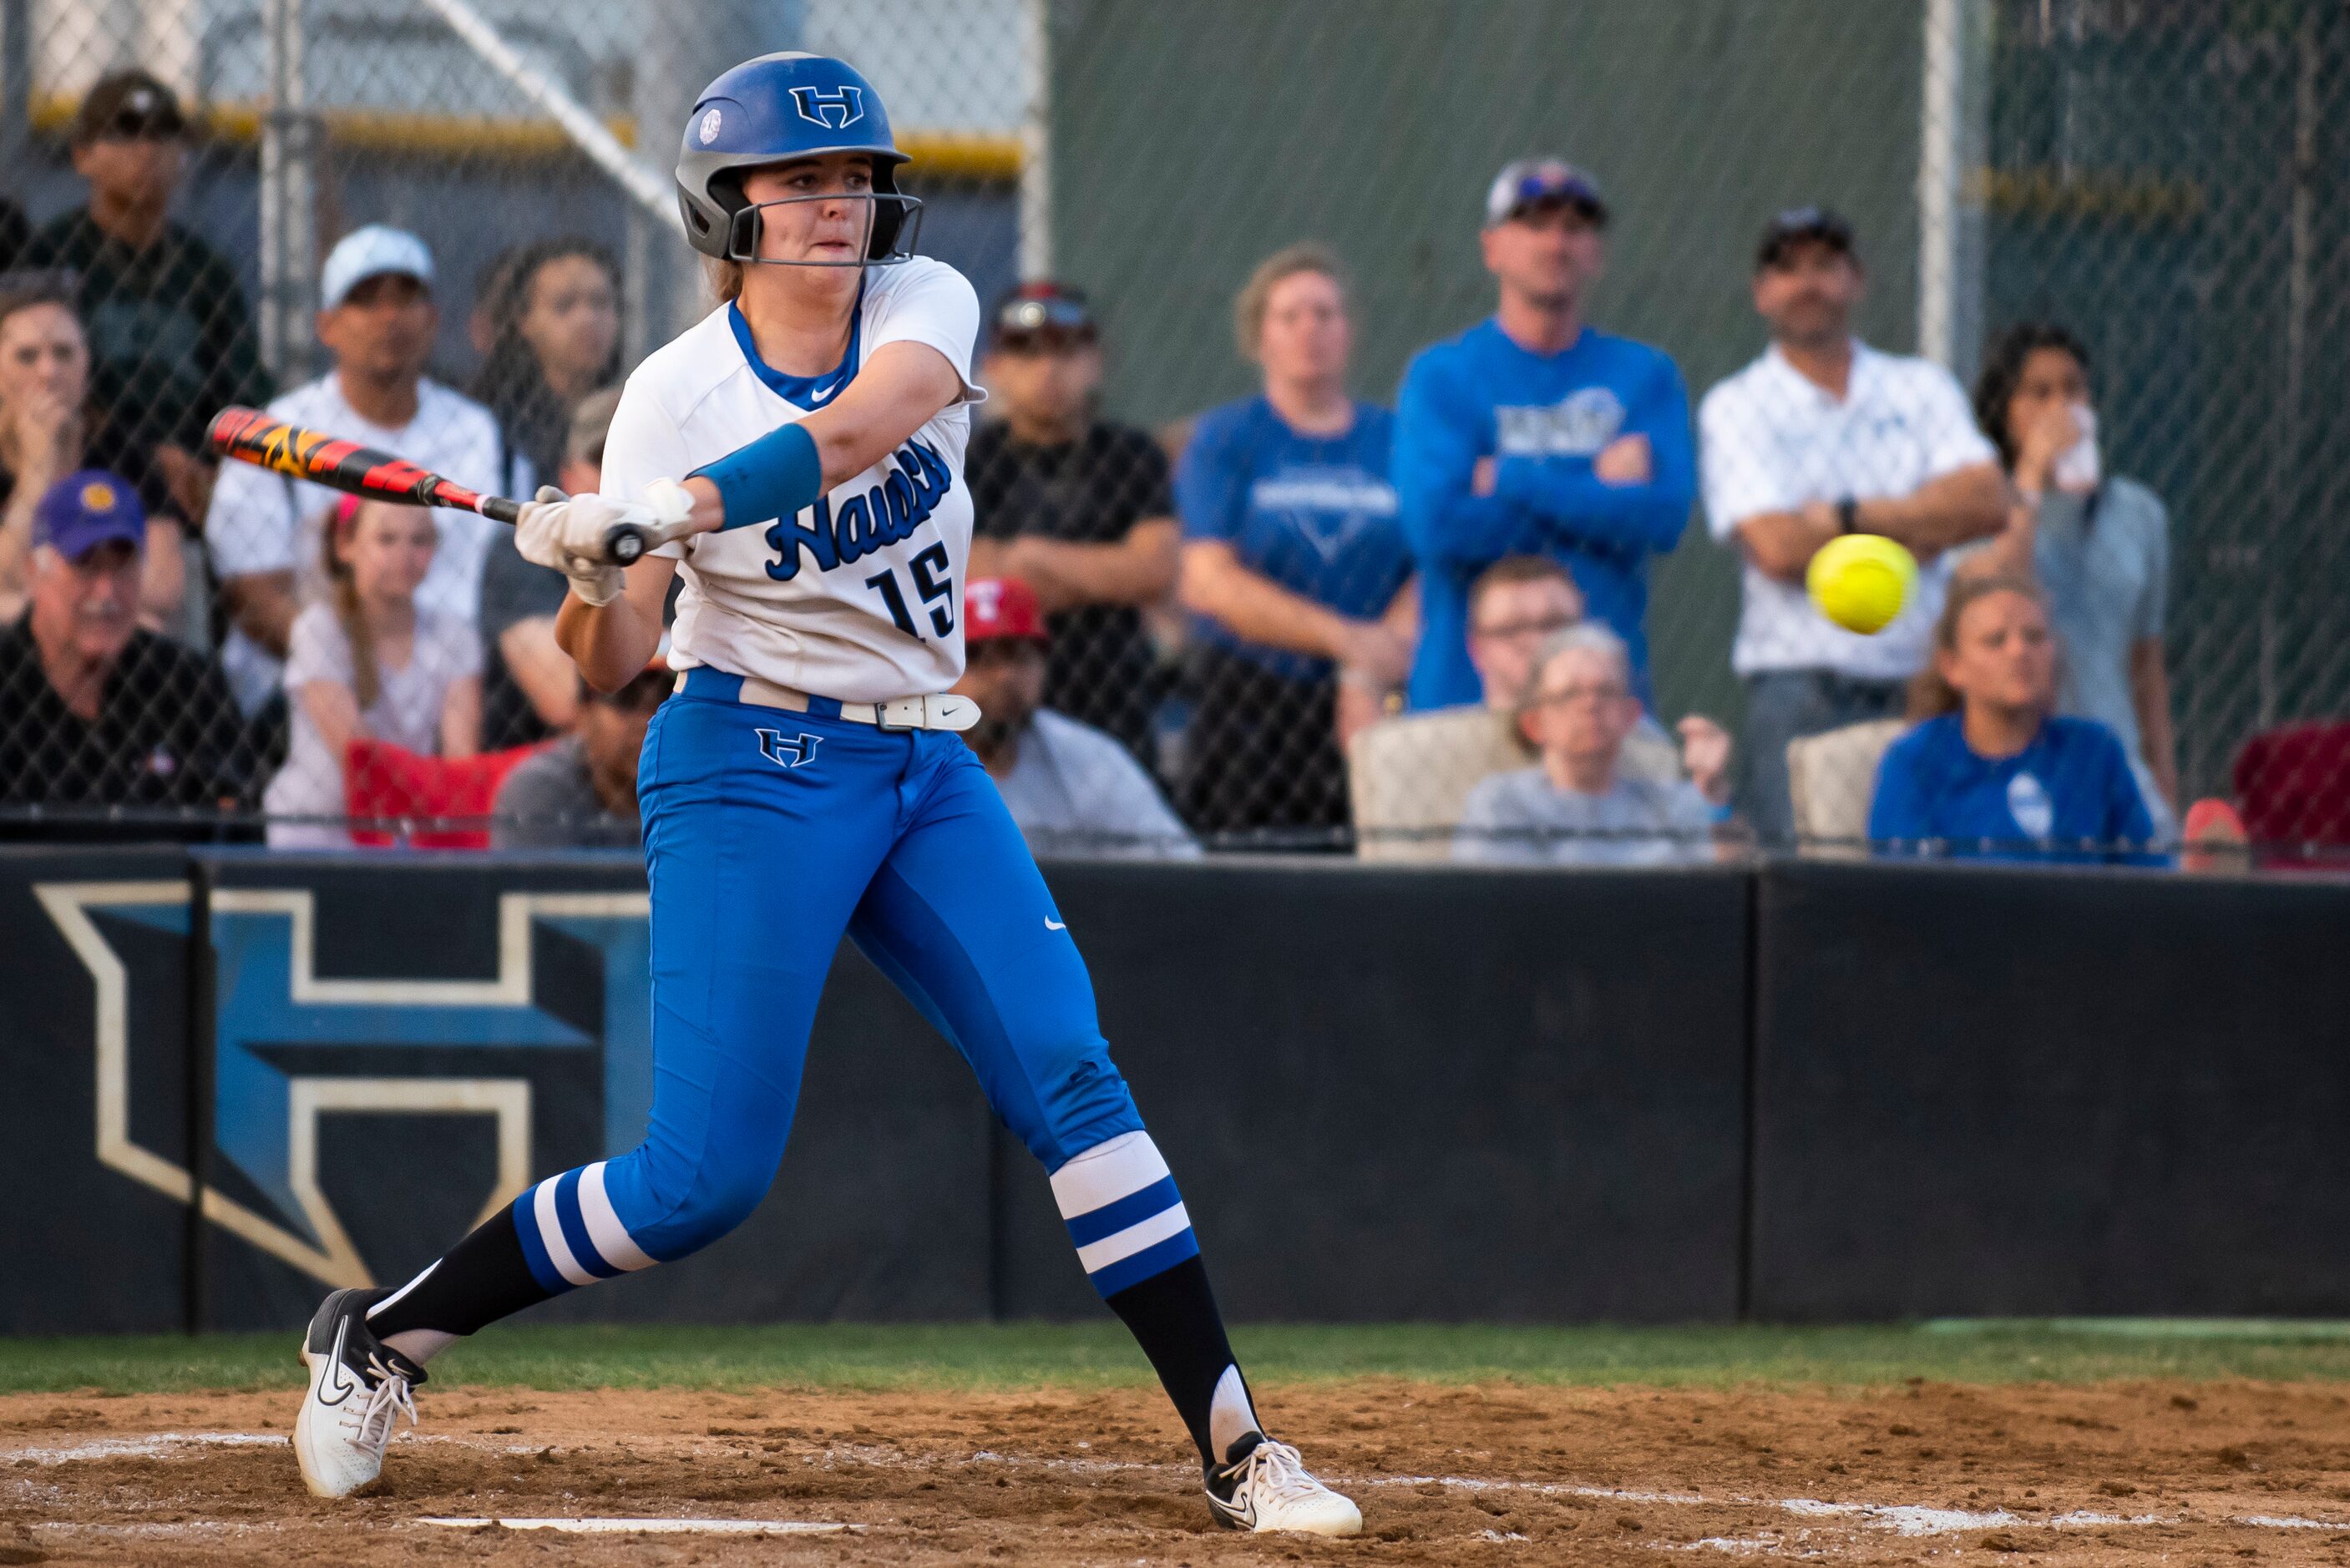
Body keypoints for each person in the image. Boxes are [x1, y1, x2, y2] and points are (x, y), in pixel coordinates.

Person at [287, 53, 1359, 1539]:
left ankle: (1240, 1444)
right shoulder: (671, 394)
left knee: (1069, 1069)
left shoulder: (925, 308)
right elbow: (607, 663)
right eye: (796, 182)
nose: (834, 204)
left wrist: (665, 506)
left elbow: (858, 428)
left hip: (922, 759)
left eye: (850, 177)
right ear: (725, 210)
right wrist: (593, 568)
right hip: (745, 764)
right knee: (699, 1180)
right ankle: (386, 1333)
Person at [1698, 207, 2007, 846]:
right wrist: (1923, 521)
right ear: (1761, 293)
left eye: (1824, 266)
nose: (1807, 284)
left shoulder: (1920, 386)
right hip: (1802, 690)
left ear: (1857, 280)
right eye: (1787, 269)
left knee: (1936, 880)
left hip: (1928, 685)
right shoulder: (1737, 405)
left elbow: (1985, 503)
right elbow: (1779, 548)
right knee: (1809, 892)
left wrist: (1844, 517)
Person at [1392, 158, 1694, 716]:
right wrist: (1596, 494)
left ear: (1596, 254)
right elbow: (1437, 529)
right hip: (1465, 699)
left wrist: (1511, 477)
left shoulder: (1644, 375)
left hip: (1601, 706)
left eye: (1575, 228)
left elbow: (1661, 519)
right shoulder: (1442, 376)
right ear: (1492, 249)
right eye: (1533, 224)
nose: (1556, 243)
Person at [204, 225, 508, 723]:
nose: (389, 317)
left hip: (460, 687)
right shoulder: (276, 434)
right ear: (327, 326)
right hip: (309, 691)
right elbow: (252, 593)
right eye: (365, 300)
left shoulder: (480, 432)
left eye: (405, 298)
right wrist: (356, 667)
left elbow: (507, 576)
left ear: (432, 319)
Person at [1175, 243, 1412, 838]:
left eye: (1325, 314)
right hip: (1253, 700)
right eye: (1290, 316)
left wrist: (1374, 665)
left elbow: (1436, 560)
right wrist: (1348, 643)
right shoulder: (1227, 438)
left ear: (1349, 331)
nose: (1310, 330)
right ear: (1260, 336)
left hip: (1379, 694)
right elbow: (1209, 581)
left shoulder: (1396, 438)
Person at [23, 68, 271, 518]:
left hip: (194, 482)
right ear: (83, 155)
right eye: (125, 133)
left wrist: (219, 471)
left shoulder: (204, 269)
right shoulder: (50, 257)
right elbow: (38, 383)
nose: (146, 151)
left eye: (163, 134)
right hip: (82, 467)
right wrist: (147, 461)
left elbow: (244, 392)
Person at [1964, 321, 2177, 827]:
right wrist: (2033, 475)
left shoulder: (2140, 514)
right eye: (2039, 393)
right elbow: (2003, 587)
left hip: (2116, 763)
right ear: (2003, 411)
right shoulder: (1983, 511)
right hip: (2019, 765)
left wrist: (2167, 785)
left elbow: (2146, 664)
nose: (2062, 407)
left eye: (2074, 389)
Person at [967, 281, 1180, 760]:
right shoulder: (970, 461)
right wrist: (1105, 572)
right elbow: (958, 570)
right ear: (994, 367)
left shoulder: (1132, 456)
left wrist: (1026, 560)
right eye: (1026, 353)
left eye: (1065, 349)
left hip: (1115, 701)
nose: (1048, 368)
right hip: (996, 709)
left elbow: (1155, 571)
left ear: (1095, 362)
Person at [1347, 555, 1681, 859]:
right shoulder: (1408, 753)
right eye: (1512, 630)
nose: (1537, 643)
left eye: (1554, 625)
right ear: (1478, 650)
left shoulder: (1643, 745)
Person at [0, 471, 241, 824]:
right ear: (34, 572)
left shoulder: (187, 683)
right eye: (86, 566)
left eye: (123, 567)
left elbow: (236, 826)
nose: (106, 592)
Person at [1868, 573, 2155, 862]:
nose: (2019, 651)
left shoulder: (2095, 750)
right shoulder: (1914, 761)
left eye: (2035, 637)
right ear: (1952, 666)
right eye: (1995, 641)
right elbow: (1903, 892)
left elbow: (2147, 872)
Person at [261, 497, 481, 847]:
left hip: (407, 831)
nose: (404, 555)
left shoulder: (455, 636)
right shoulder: (320, 629)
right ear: (346, 545)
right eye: (386, 539)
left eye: (420, 540)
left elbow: (461, 764)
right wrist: (431, 787)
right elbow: (360, 760)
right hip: (317, 832)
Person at [953, 575, 1197, 858]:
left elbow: (1179, 861)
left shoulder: (1089, 759)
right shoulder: (910, 760)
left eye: (1018, 656)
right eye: (978, 658)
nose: (1004, 676)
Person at [1455, 623, 1731, 867]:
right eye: (1570, 693)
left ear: (1630, 716)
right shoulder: (1501, 803)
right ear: (1535, 724)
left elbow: (1723, 890)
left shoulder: (1672, 804)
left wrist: (1711, 792)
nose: (1590, 705)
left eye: (1606, 691)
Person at [0, 274, 185, 628]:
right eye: (27, 356)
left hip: (98, 629)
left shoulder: (121, 448)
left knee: (148, 625)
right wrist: (38, 470)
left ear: (86, 367)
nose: (49, 371)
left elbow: (163, 587)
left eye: (64, 353)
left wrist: (55, 601)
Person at [478, 387, 617, 748]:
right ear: (567, 477)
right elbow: (567, 699)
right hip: (548, 764)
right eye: (604, 460)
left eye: (635, 459)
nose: (620, 478)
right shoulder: (523, 547)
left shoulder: (687, 545)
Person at [470, 237, 621, 490]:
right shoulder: (494, 424)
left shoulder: (632, 405)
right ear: (524, 321)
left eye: (600, 302)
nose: (587, 319)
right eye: (564, 305)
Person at [491, 650, 666, 850]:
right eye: (627, 698)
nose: (649, 718)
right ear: (585, 712)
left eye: (668, 697)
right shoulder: (541, 788)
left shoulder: (701, 780)